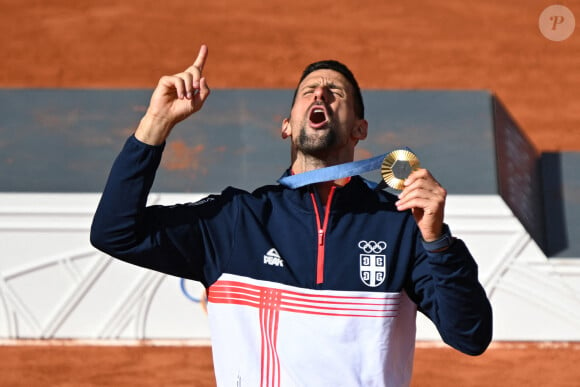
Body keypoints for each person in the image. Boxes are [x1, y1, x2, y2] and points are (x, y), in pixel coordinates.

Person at [91, 44, 492, 387]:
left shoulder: (400, 225)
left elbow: (470, 335)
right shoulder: (237, 221)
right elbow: (115, 232)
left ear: (359, 129)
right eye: (308, 91)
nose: (320, 94)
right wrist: (155, 124)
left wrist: (437, 240)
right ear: (287, 126)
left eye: (335, 91)